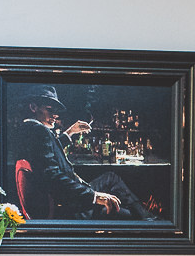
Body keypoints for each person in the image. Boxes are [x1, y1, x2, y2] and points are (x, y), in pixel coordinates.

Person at [10, 88, 147, 220]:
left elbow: (47, 153)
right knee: (120, 198)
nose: (55, 116)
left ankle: (144, 216)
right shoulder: (39, 131)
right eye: (50, 110)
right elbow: (53, 178)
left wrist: (69, 132)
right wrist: (95, 196)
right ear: (33, 107)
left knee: (110, 178)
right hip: (71, 206)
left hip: (68, 197)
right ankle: (148, 220)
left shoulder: (29, 130)